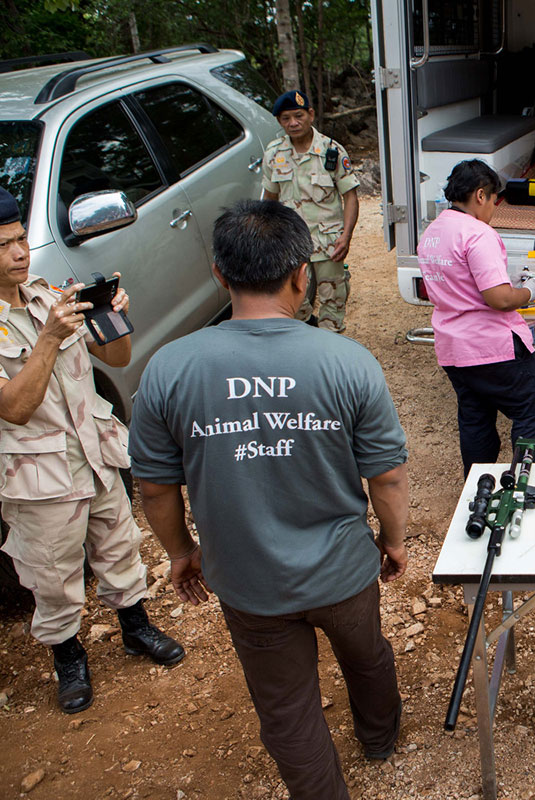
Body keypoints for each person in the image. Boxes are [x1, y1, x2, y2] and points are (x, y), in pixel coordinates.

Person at [129, 200, 409, 800]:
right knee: (367, 657)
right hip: (342, 571)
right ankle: (380, 738)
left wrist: (181, 552)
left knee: (286, 709)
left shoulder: (169, 369)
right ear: (302, 275)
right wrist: (394, 541)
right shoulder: (348, 362)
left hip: (248, 581)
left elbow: (154, 485)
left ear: (219, 274)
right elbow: (386, 476)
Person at [0, 186, 183, 714]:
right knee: (52, 572)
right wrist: (48, 339)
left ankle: (135, 628)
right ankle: (68, 657)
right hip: (39, 474)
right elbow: (15, 408)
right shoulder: (45, 319)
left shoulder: (49, 297)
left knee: (120, 545)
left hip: (97, 454)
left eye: (20, 239)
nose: (19, 253)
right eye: (4, 245)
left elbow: (118, 358)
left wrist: (115, 315)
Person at [416, 159, 535, 477]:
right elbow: (500, 299)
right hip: (492, 348)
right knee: (530, 408)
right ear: (480, 195)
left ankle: (477, 485)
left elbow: (461, 283)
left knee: (475, 416)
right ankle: (529, 485)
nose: (494, 208)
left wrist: (506, 283)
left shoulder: (432, 232)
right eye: (494, 200)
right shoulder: (478, 233)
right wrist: (529, 291)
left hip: (454, 349)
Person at [262, 91, 359, 333]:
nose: (293, 123)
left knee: (332, 296)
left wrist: (346, 236)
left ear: (311, 115)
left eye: (298, 116)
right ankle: (307, 328)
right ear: (279, 121)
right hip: (290, 241)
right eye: (286, 118)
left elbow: (350, 196)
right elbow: (270, 198)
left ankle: (330, 341)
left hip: (328, 240)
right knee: (291, 298)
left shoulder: (331, 151)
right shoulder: (274, 154)